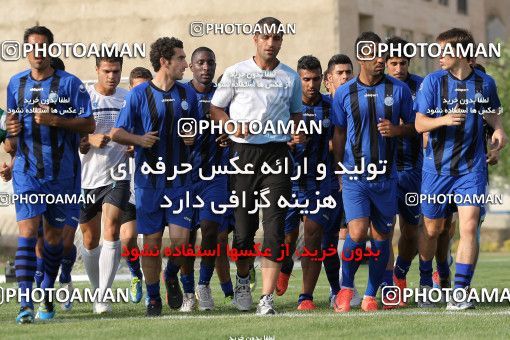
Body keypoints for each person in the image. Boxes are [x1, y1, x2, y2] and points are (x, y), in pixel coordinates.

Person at [210, 16, 303, 315]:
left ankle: (266, 299)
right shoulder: (236, 72)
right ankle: (242, 280)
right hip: (244, 154)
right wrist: (232, 126)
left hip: (276, 155)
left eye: (277, 38)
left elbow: (296, 114)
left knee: (275, 227)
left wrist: (296, 132)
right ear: (255, 39)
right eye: (266, 38)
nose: (271, 43)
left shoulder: (290, 77)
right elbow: (215, 108)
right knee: (243, 229)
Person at [6, 26, 94, 323]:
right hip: (27, 172)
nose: (38, 53)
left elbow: (89, 125)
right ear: (26, 51)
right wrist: (10, 134)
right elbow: (9, 135)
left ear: (51, 51)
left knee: (56, 242)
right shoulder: (14, 84)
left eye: (44, 47)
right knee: (28, 234)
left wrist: (56, 119)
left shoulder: (70, 84)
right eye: (33, 47)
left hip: (62, 175)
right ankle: (25, 303)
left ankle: (46, 289)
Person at [415, 28, 507, 309]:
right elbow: (419, 124)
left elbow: (491, 112)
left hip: (472, 170)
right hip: (436, 170)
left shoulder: (485, 83)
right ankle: (425, 283)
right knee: (432, 230)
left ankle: (459, 293)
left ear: (463, 54)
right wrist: (442, 120)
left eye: (444, 51)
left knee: (468, 227)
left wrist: (499, 131)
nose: (438, 56)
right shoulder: (432, 83)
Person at [112, 36, 199, 317]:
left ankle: (170, 274)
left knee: (182, 243)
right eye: (181, 58)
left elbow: (195, 130)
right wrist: (139, 139)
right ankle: (153, 299)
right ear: (165, 62)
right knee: (150, 243)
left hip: (180, 180)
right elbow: (117, 132)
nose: (186, 64)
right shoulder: (138, 95)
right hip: (149, 182)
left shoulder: (188, 95)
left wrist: (191, 138)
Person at [332, 31, 414, 312]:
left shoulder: (398, 90)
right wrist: (339, 171)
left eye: (383, 54)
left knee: (381, 238)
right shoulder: (344, 92)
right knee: (356, 232)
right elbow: (339, 132)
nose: (381, 59)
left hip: (386, 176)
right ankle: (345, 288)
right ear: (361, 58)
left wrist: (397, 129)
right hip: (355, 175)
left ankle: (369, 295)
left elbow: (414, 126)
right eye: (374, 55)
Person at [78, 55, 130, 314]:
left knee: (111, 227)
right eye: (107, 71)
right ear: (97, 70)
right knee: (90, 239)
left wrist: (132, 144)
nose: (112, 76)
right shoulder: (84, 98)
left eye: (117, 71)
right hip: (86, 177)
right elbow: (70, 135)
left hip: (118, 175)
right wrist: (88, 139)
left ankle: (103, 297)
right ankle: (97, 288)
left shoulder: (127, 97)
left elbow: (134, 128)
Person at [383, 36, 424, 307]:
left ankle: (400, 272)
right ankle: (389, 288)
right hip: (383, 169)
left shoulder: (422, 86)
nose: (398, 68)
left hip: (413, 168)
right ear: (385, 63)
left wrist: (400, 127)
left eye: (403, 63)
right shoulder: (375, 87)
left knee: (411, 232)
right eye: (393, 63)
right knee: (385, 231)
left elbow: (424, 124)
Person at [321, 53, 362, 308]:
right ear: (328, 80)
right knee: (327, 238)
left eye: (349, 72)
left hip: (351, 176)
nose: (345, 77)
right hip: (322, 180)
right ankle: (336, 287)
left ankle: (347, 286)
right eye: (340, 73)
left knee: (350, 232)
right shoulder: (321, 105)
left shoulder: (357, 102)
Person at [119, 66, 153, 304]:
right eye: (138, 87)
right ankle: (134, 273)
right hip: (129, 184)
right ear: (131, 88)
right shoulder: (125, 111)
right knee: (127, 238)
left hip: (155, 183)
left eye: (146, 86)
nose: (142, 91)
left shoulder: (158, 110)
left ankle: (162, 286)